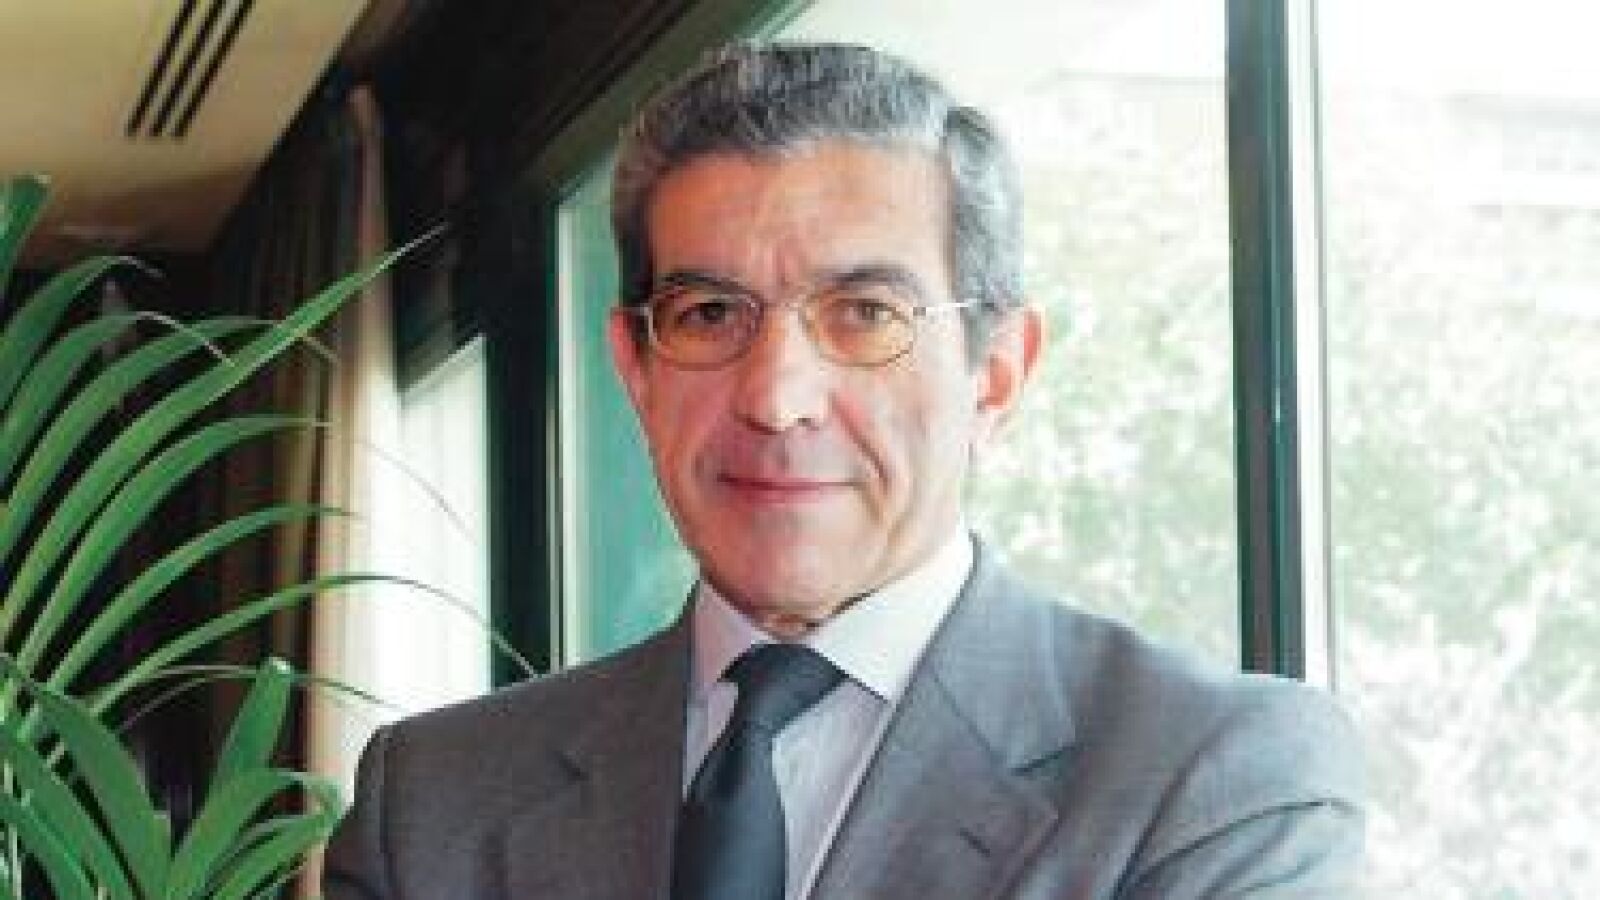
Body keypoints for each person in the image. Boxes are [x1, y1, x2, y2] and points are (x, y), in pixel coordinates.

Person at [324, 41, 1364, 899]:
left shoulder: (1212, 780)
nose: (777, 397)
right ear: (634, 368)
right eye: (709, 314)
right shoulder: (433, 804)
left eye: (865, 313)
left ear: (996, 375)